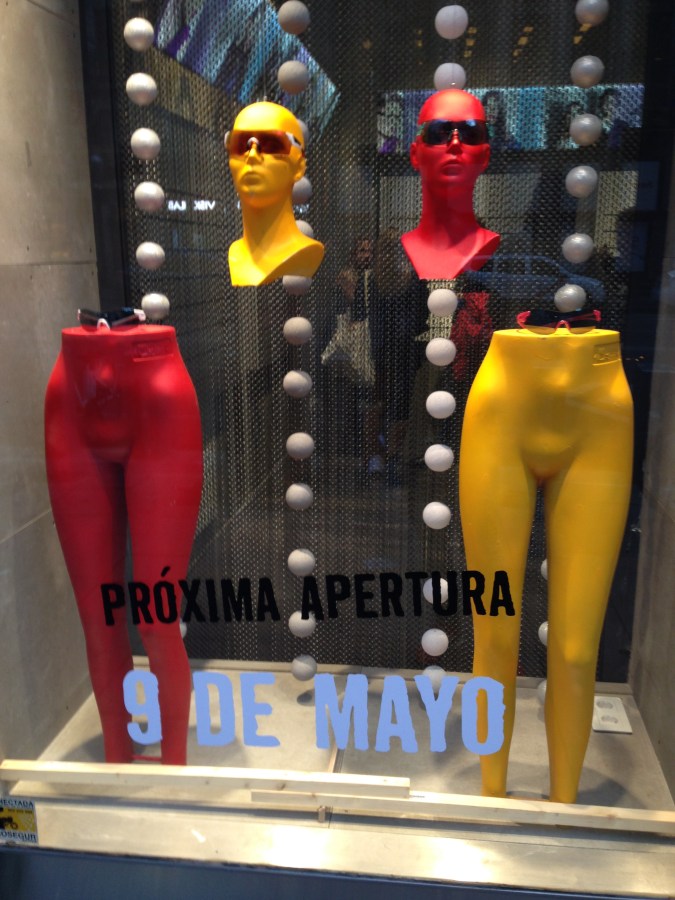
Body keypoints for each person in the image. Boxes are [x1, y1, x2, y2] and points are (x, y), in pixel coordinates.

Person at [459, 315, 633, 802]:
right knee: (494, 637)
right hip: (502, 404)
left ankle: (564, 804)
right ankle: (492, 794)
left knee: (577, 651)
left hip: (601, 408)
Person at [45, 318, 204, 764]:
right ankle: (117, 757)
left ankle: (173, 764)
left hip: (157, 393)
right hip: (72, 390)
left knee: (156, 619)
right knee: (98, 619)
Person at [401, 89, 500, 280]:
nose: (455, 143)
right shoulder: (398, 253)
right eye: (438, 132)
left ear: (485, 156)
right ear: (415, 155)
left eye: (471, 133)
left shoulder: (496, 251)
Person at [226, 101, 324, 286]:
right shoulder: (234, 255)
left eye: (272, 144)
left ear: (299, 166)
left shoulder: (305, 254)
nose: (252, 155)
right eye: (240, 144)